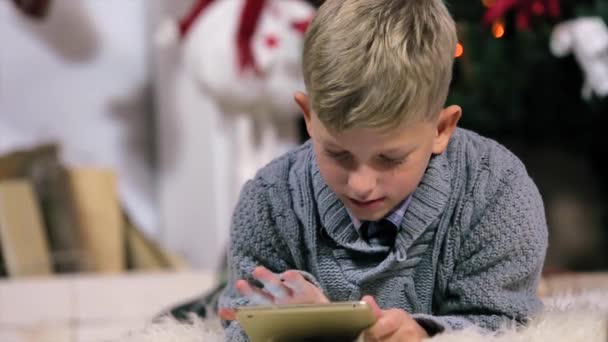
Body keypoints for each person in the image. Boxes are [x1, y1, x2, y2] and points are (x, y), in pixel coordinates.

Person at [218, 0, 548, 340]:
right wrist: (301, 323)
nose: (361, 186)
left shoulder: (498, 193)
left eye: (390, 159)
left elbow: (509, 325)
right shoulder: (269, 201)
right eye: (338, 153)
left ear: (441, 129)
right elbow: (236, 321)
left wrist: (428, 334)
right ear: (308, 117)